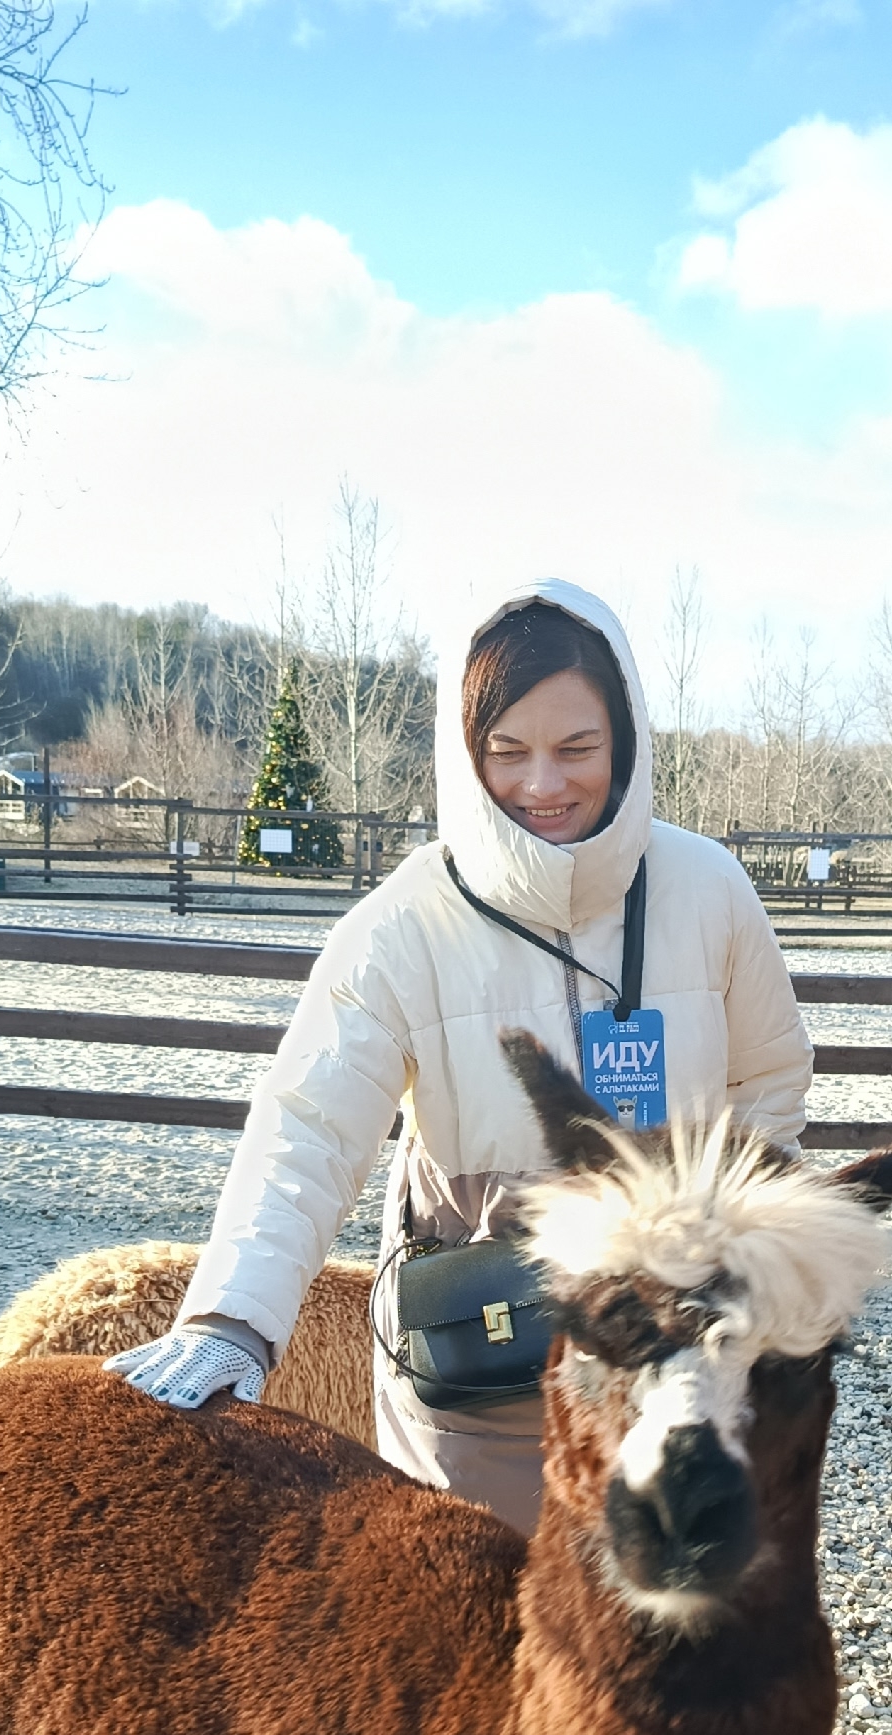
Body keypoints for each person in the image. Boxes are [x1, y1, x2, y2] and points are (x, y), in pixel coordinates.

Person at [107, 578, 812, 1533]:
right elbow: (308, 1129)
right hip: (483, 1359)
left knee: (665, 1600)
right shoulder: (400, 926)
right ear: (464, 750)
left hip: (675, 1354)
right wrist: (231, 1319)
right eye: (506, 752)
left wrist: (737, 1244)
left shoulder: (708, 889)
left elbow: (767, 1079)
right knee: (474, 1603)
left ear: (627, 740)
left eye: (577, 748)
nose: (543, 785)